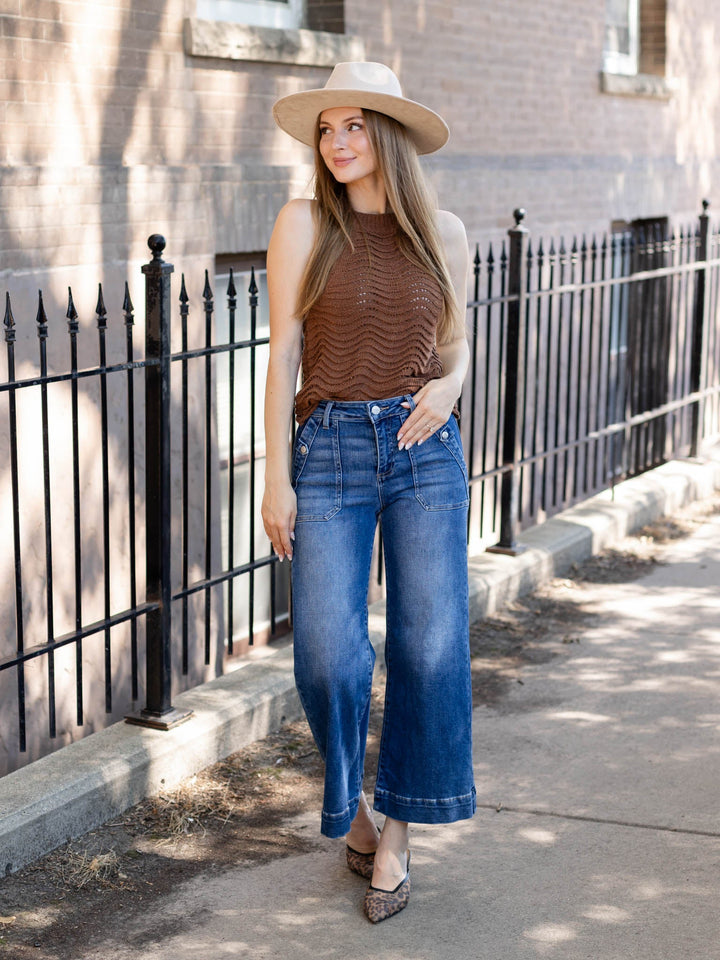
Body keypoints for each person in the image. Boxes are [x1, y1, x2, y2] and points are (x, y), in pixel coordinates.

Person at [262, 61, 475, 923]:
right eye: (327, 128)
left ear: (386, 133)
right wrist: (273, 473)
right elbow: (281, 354)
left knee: (429, 647)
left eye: (355, 125)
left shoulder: (443, 230)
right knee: (324, 650)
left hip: (425, 448)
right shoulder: (304, 221)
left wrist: (451, 389)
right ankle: (350, 805)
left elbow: (458, 346)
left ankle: (397, 832)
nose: (338, 141)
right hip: (330, 449)